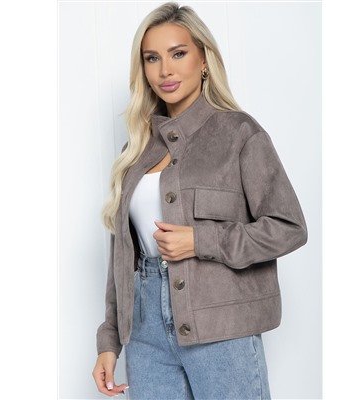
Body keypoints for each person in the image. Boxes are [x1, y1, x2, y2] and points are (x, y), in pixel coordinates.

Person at [92, 2, 307, 399]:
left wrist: (200, 241)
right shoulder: (134, 152)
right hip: (146, 338)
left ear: (204, 59)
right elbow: (121, 256)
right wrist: (109, 340)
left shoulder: (239, 134)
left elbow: (289, 227)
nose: (165, 70)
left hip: (222, 328)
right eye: (152, 58)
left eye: (178, 53)